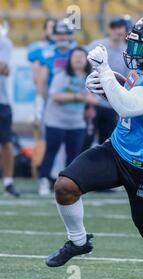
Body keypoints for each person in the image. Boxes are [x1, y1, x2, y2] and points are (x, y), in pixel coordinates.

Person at [45, 15, 143, 279]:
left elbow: (130, 106)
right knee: (65, 186)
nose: (134, 51)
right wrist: (107, 87)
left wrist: (106, 72)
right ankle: (78, 240)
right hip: (117, 149)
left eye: (141, 45)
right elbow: (126, 98)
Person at [38, 48, 96, 196]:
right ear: (70, 59)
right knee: (51, 151)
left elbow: (92, 99)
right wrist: (78, 97)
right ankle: (44, 181)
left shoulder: (90, 78)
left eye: (81, 57)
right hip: (55, 121)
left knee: (73, 155)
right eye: (75, 56)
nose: (78, 59)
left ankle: (68, 184)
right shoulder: (61, 75)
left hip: (77, 123)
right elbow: (55, 96)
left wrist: (87, 103)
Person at [82, 16, 131, 150]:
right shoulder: (96, 46)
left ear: (125, 30)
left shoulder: (128, 52)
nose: (117, 31)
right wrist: (86, 94)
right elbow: (82, 69)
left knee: (106, 142)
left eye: (120, 27)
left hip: (112, 103)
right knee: (85, 139)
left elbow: (128, 80)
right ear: (109, 29)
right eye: (114, 27)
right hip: (92, 101)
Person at [34, 19, 77, 127]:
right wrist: (39, 100)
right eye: (59, 34)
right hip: (53, 98)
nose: (62, 37)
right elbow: (42, 79)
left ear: (70, 35)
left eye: (65, 34)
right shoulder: (48, 53)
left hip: (74, 100)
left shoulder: (76, 53)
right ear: (54, 35)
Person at [0, 22, 20, 197]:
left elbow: (2, 68)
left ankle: (8, 182)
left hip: (1, 101)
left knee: (6, 142)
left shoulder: (4, 42)